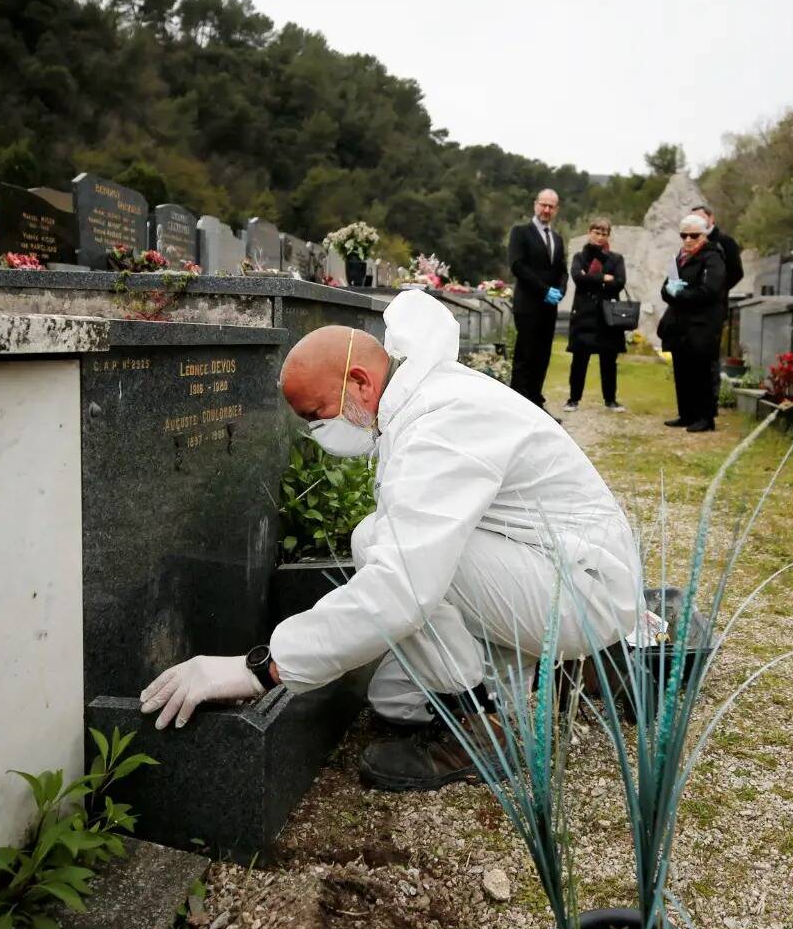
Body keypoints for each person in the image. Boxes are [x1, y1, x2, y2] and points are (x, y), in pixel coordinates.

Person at [139, 290, 641, 791]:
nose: (317, 432)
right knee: (396, 703)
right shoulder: (424, 400)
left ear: (359, 382)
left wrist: (263, 670)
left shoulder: (438, 425)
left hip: (583, 589)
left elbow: (402, 586)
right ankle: (499, 697)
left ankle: (476, 728)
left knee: (380, 542)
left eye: (316, 415)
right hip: (548, 569)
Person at [657, 213, 728, 433]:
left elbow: (709, 291)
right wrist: (671, 291)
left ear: (704, 235)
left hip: (703, 324)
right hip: (681, 324)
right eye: (684, 235)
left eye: (693, 235)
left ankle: (705, 417)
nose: (688, 240)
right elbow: (666, 288)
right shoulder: (681, 257)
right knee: (683, 370)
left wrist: (681, 294)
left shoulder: (713, 257)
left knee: (702, 371)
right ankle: (686, 414)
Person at [506, 188, 567, 410]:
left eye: (551, 206)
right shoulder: (520, 232)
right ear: (535, 204)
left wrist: (561, 289)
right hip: (528, 305)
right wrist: (543, 290)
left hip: (549, 308)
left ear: (556, 210)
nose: (547, 210)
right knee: (526, 354)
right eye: (543, 204)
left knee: (543, 355)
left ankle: (536, 402)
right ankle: (519, 404)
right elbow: (517, 265)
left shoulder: (557, 239)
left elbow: (562, 270)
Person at [564, 218, 628, 413]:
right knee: (579, 360)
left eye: (604, 234)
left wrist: (592, 278)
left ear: (608, 235)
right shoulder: (579, 257)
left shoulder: (616, 258)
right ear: (589, 232)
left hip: (607, 316)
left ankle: (610, 400)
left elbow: (619, 282)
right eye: (597, 232)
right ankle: (573, 399)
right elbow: (578, 278)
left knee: (609, 361)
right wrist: (603, 278)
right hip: (584, 314)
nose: (600, 237)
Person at [692, 203, 742, 420]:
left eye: (701, 219)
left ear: (711, 219)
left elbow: (736, 272)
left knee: (710, 359)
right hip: (693, 309)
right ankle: (693, 406)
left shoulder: (725, 242)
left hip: (713, 308)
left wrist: (717, 290)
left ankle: (709, 408)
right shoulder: (690, 240)